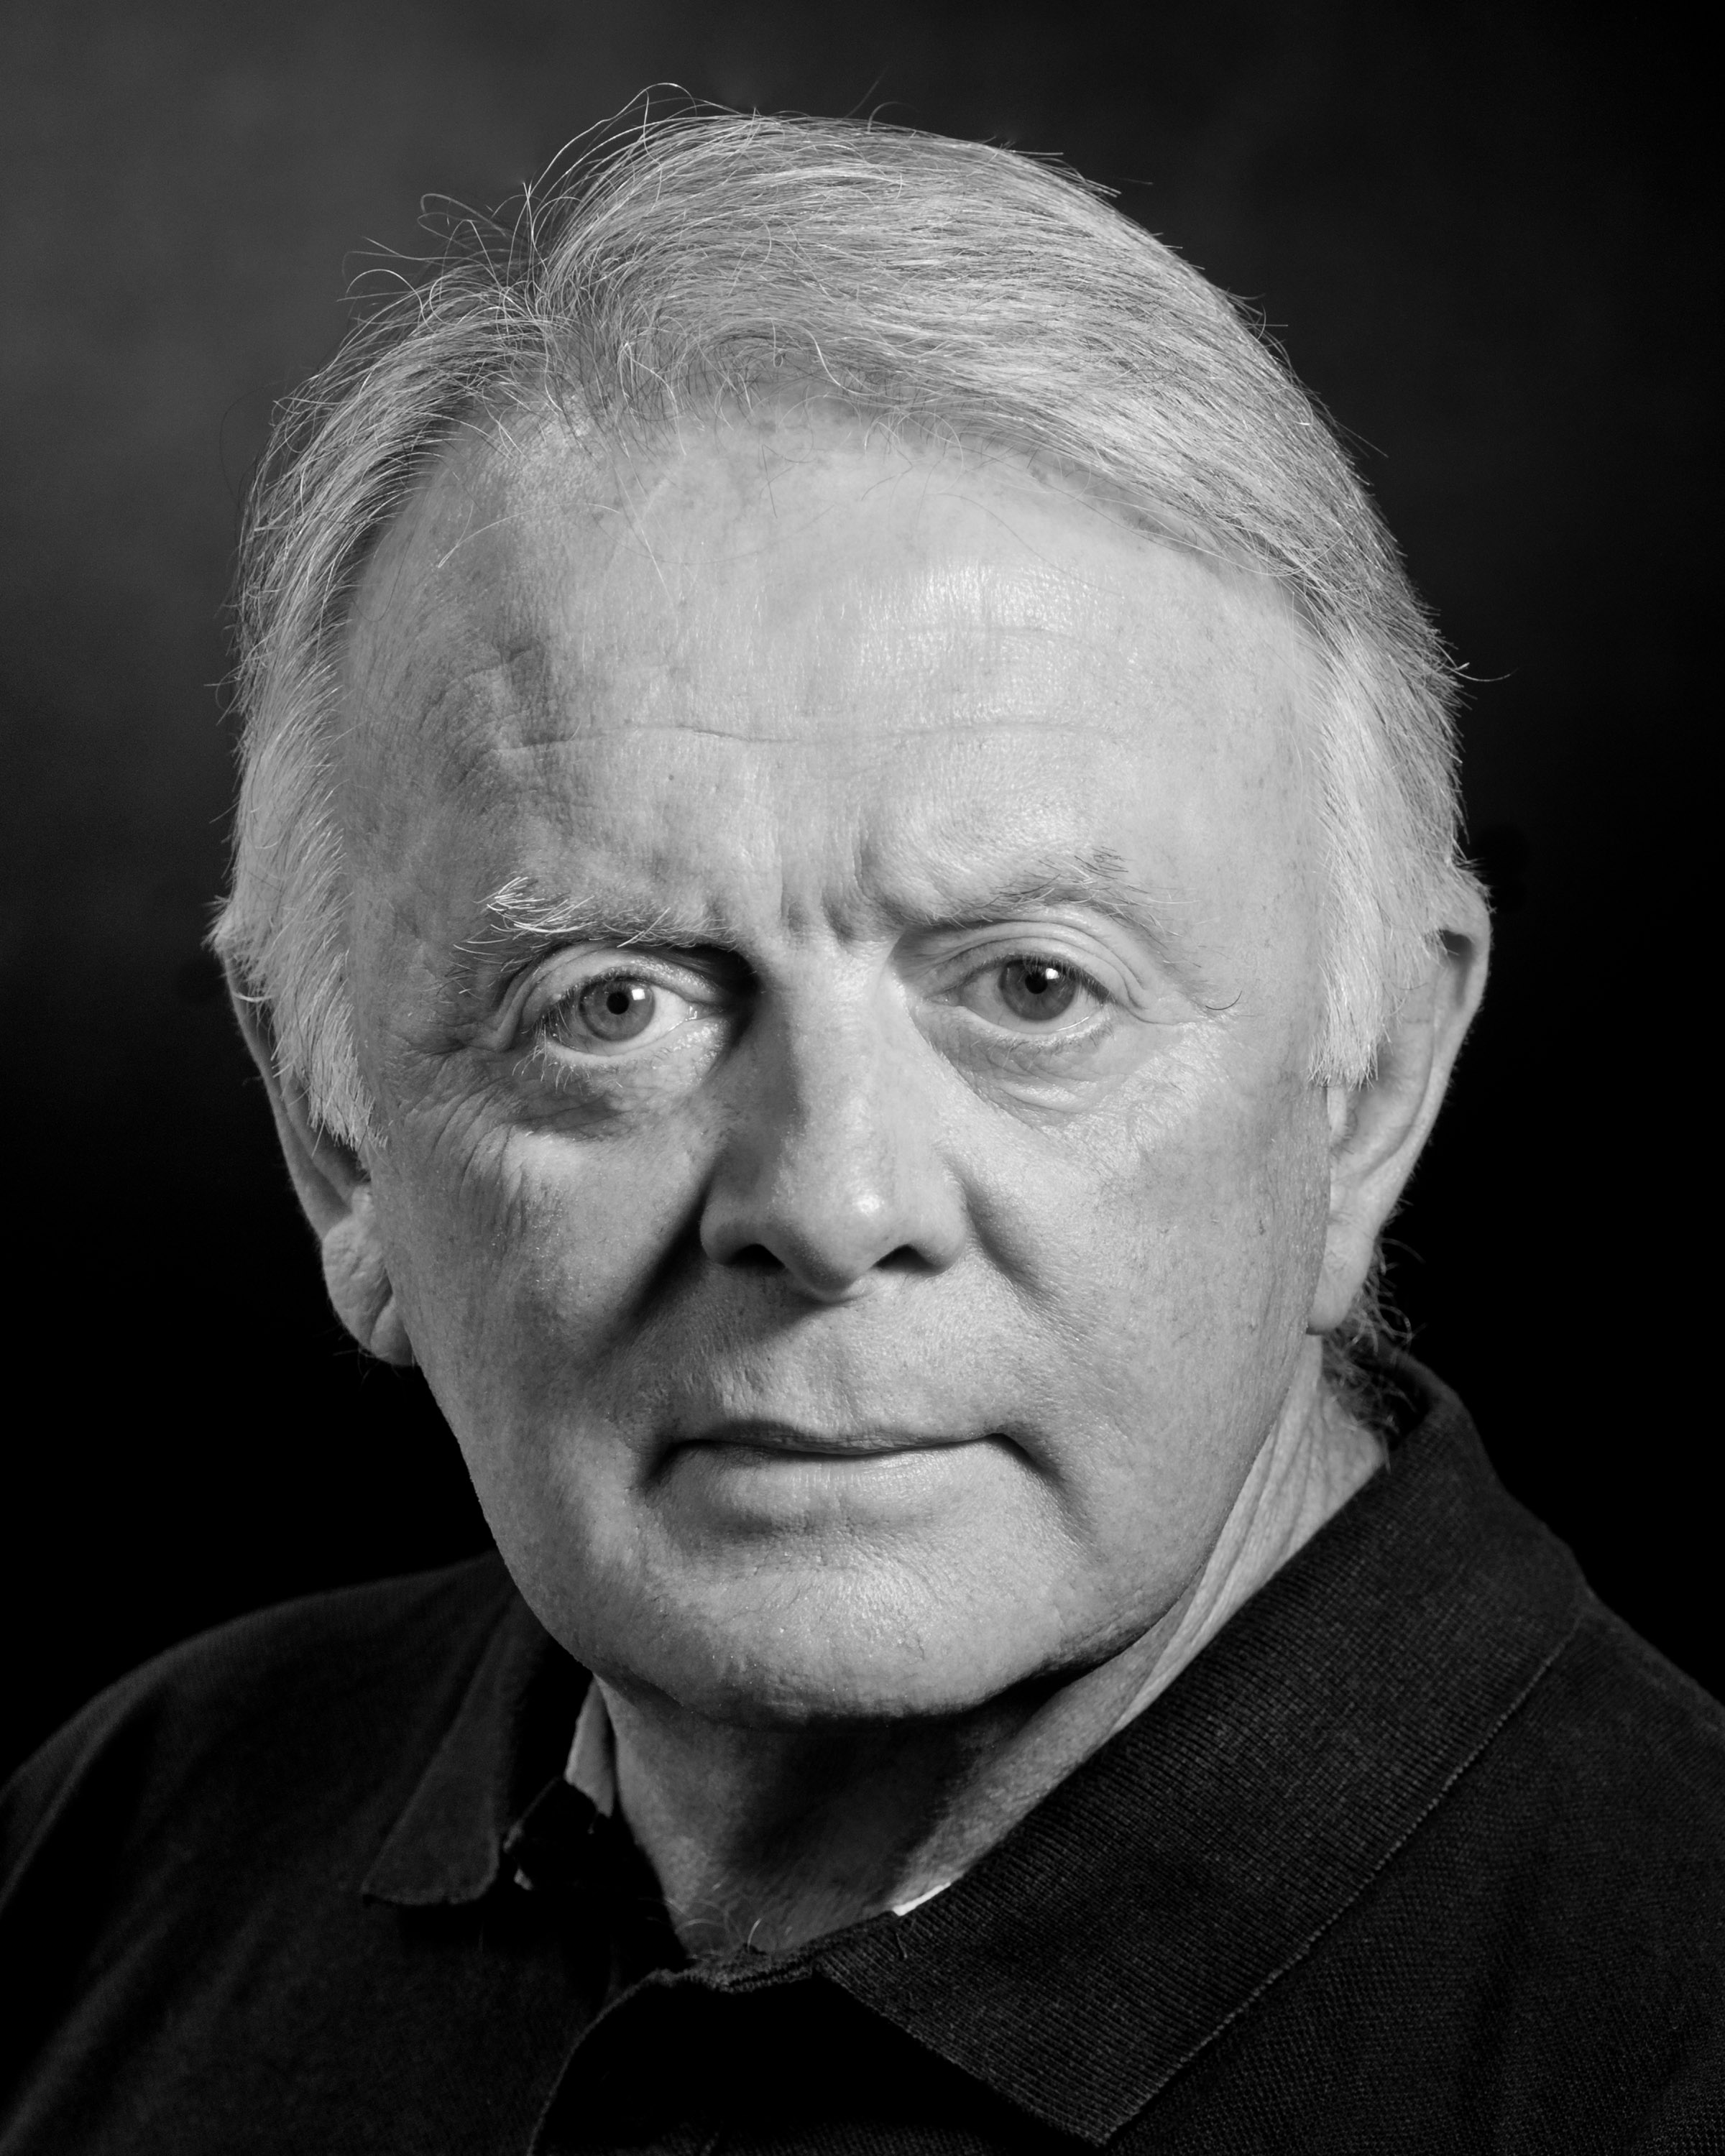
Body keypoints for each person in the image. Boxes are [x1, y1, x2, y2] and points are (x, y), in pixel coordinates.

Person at [2, 111, 1719, 2156]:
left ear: (1370, 1089)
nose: (832, 1204)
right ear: (339, 1138)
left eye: (1032, 989)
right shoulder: (117, 1848)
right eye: (612, 1004)